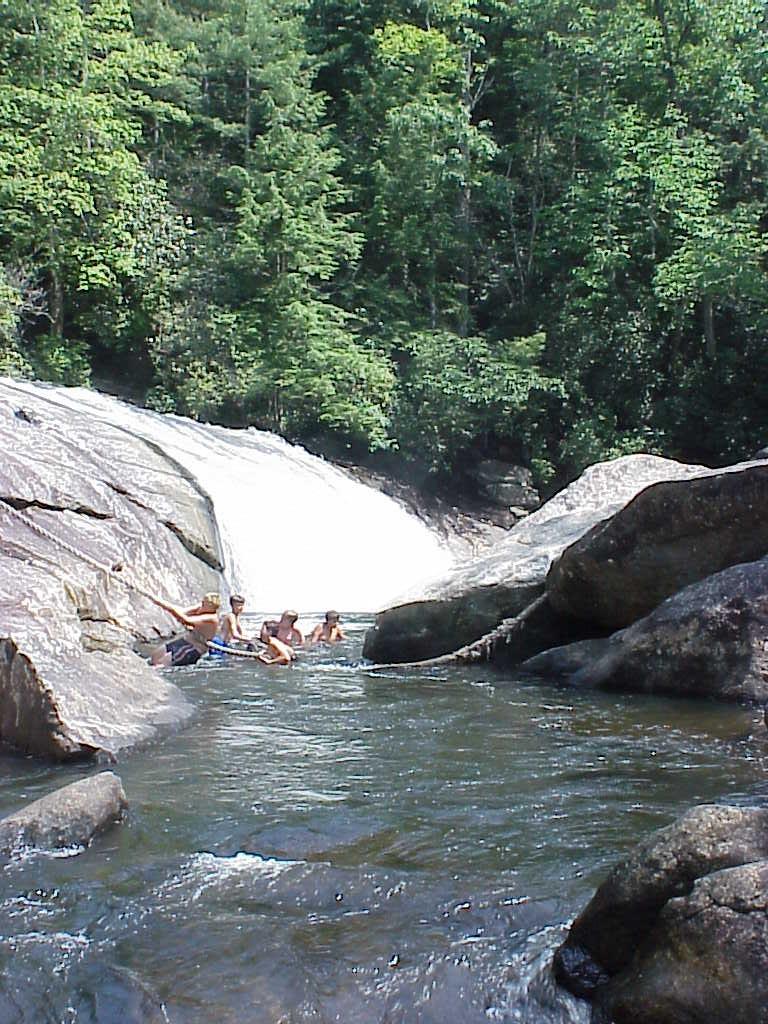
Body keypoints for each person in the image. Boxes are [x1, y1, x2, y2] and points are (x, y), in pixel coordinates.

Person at [150, 592, 221, 667]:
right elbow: (182, 611)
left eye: (204, 602)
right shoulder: (202, 608)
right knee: (155, 656)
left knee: (161, 664)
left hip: (194, 648)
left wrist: (171, 610)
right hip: (185, 640)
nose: (202, 603)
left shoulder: (211, 618)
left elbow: (186, 620)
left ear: (210, 605)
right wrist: (157, 601)